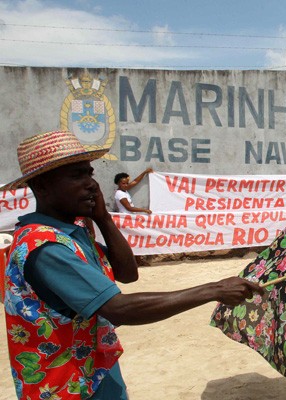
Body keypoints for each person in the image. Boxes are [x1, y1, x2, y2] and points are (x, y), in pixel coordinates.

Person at [0, 130, 264, 399]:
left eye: (90, 174)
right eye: (77, 175)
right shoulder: (45, 247)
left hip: (94, 373)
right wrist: (215, 290)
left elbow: (127, 274)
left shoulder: (72, 233)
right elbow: (119, 309)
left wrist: (103, 219)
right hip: (67, 387)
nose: (92, 184)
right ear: (42, 187)